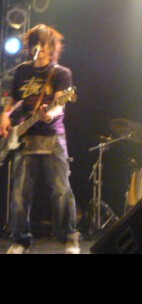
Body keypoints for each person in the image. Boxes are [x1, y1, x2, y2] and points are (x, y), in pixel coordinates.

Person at [0, 24, 80, 254]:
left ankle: (70, 238)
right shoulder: (21, 71)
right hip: (25, 137)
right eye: (37, 43)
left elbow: (60, 104)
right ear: (31, 46)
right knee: (19, 193)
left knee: (61, 190)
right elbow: (12, 99)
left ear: (52, 47)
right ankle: (20, 240)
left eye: (45, 44)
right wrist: (5, 116)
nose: (41, 48)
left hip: (52, 135)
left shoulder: (61, 73)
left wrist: (48, 115)